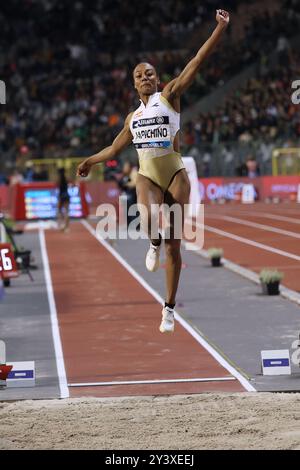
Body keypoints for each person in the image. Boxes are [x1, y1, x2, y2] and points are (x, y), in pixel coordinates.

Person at [77, 10, 230, 333]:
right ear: (134, 84)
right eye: (140, 75)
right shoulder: (132, 118)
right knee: (146, 215)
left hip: (174, 173)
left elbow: (197, 61)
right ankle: (152, 242)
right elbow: (115, 149)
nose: (146, 77)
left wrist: (219, 28)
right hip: (148, 174)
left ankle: (169, 308)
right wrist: (91, 160)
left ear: (158, 79)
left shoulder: (169, 96)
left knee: (176, 247)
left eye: (150, 73)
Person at [116, 161, 138, 227]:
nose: (124, 169)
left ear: (130, 167)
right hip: (127, 194)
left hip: (133, 194)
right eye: (124, 167)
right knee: (125, 207)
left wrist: (126, 184)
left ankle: (135, 224)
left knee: (132, 208)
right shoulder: (125, 175)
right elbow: (120, 184)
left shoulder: (134, 173)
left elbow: (134, 184)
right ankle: (127, 223)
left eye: (126, 167)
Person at [57, 168, 70, 232]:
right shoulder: (66, 178)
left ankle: (62, 225)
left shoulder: (59, 179)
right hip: (66, 195)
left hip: (62, 196)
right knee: (67, 211)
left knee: (59, 210)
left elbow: (57, 184)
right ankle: (66, 227)